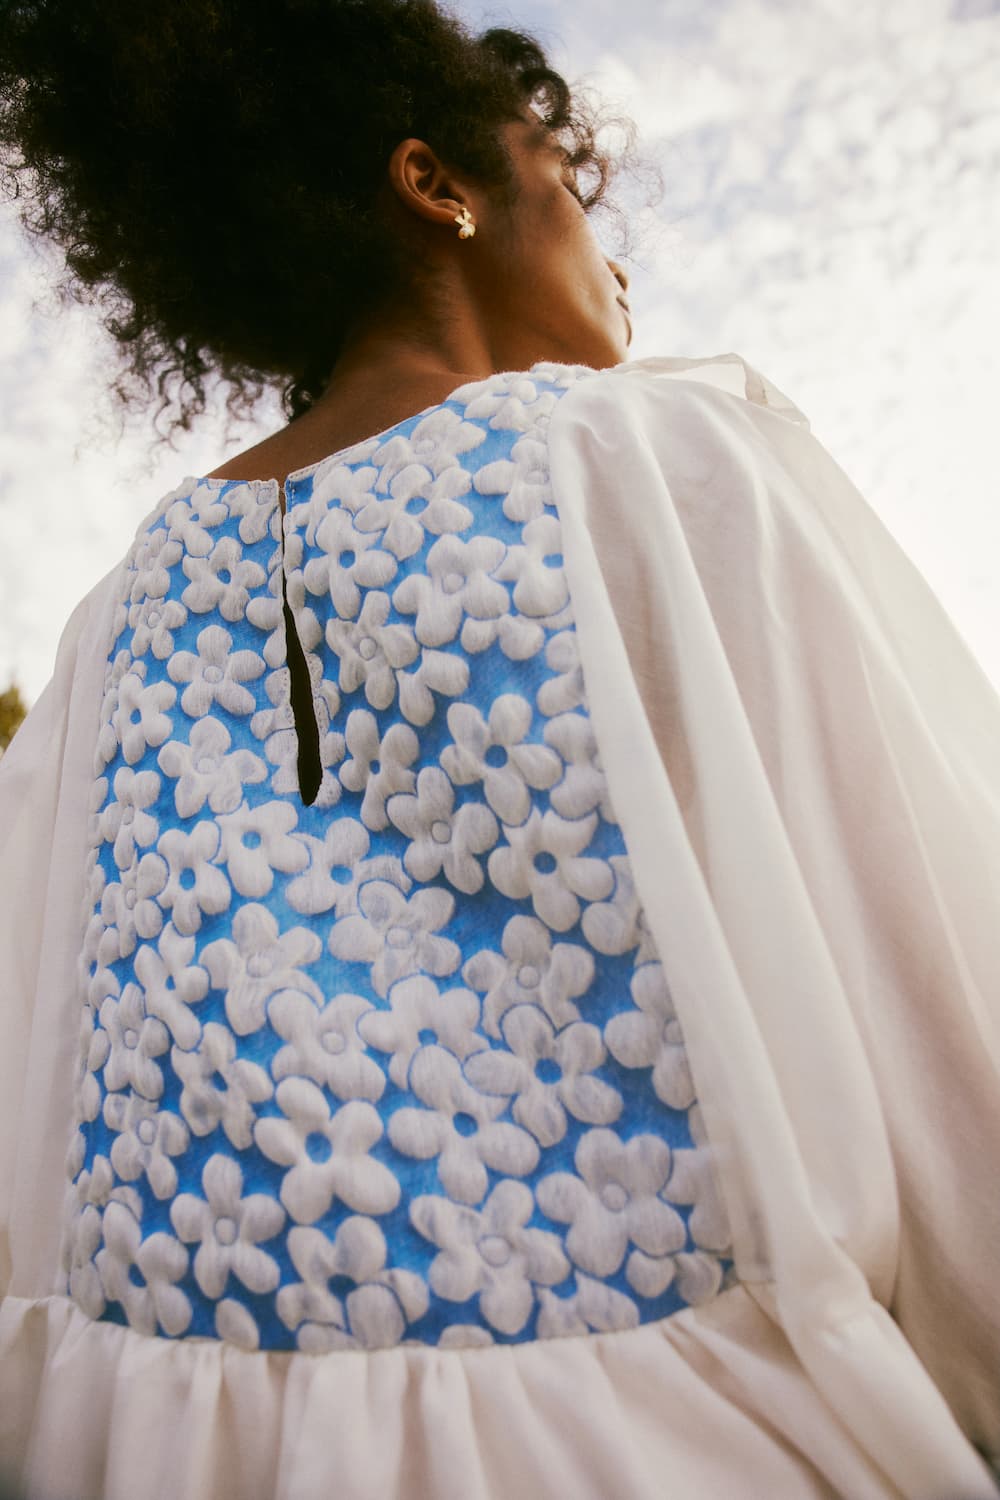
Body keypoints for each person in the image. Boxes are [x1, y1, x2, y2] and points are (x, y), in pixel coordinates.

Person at [0, 2, 998, 1497]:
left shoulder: (104, 629)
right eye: (573, 185)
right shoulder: (656, 466)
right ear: (437, 183)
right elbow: (934, 979)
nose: (619, 264)